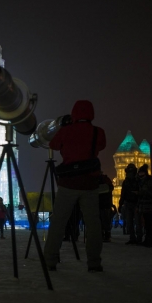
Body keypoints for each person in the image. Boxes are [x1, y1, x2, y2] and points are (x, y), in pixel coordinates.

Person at [43, 100, 106, 273]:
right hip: (90, 184)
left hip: (68, 183)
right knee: (93, 224)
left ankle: (50, 260)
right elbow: (101, 146)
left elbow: (53, 144)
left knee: (58, 222)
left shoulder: (66, 131)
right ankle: (94, 262)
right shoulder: (97, 132)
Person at [136, 164, 152, 247]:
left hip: (149, 205)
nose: (139, 174)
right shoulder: (142, 181)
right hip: (145, 205)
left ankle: (151, 241)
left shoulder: (149, 182)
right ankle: (148, 240)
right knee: (147, 224)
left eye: (141, 172)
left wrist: (140, 193)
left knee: (149, 224)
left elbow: (151, 192)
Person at [120, 164, 142, 244]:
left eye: (131, 172)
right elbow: (123, 194)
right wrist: (120, 204)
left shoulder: (138, 181)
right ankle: (132, 238)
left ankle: (139, 238)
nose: (129, 173)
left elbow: (142, 192)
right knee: (129, 222)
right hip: (128, 203)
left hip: (136, 203)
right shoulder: (125, 182)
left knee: (137, 222)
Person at [98, 173, 115, 242]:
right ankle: (102, 234)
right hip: (101, 204)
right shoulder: (105, 180)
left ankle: (106, 235)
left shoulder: (104, 180)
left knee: (105, 220)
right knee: (102, 221)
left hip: (104, 204)